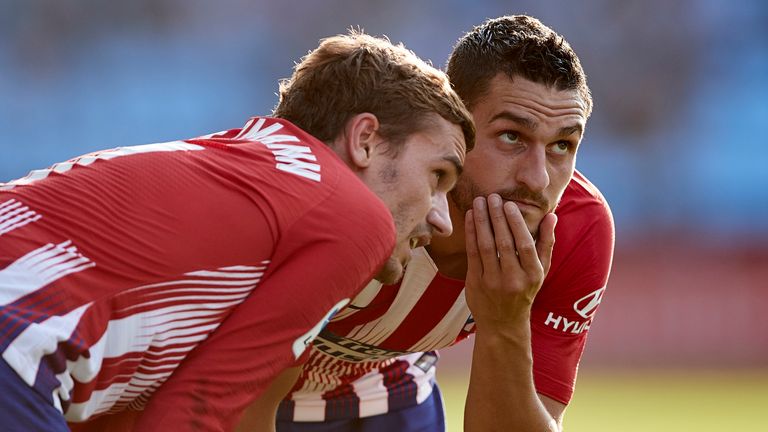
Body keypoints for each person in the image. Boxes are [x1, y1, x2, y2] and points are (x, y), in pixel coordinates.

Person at [0, 31, 475, 432]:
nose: (442, 217)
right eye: (437, 177)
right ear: (365, 139)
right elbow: (196, 412)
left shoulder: (252, 183)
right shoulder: (355, 218)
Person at [275, 15, 615, 432]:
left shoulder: (576, 229)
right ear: (456, 123)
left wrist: (504, 324)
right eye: (511, 136)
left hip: (393, 400)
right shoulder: (368, 192)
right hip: (252, 398)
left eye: (562, 144)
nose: (538, 178)